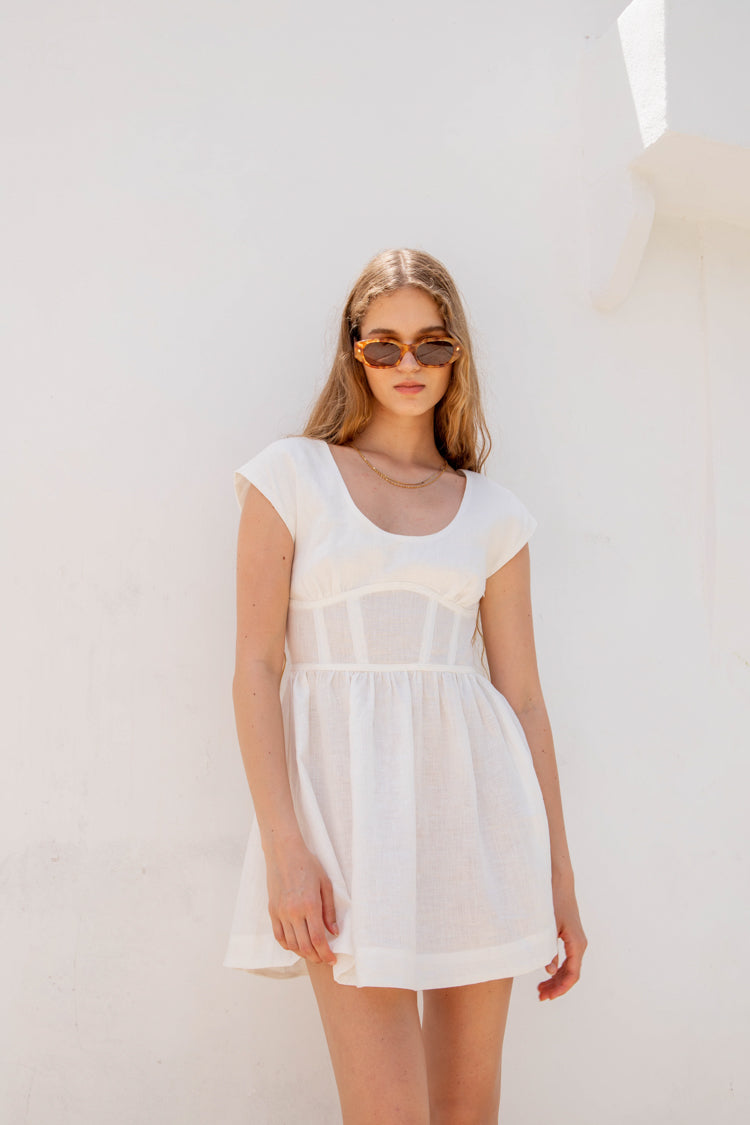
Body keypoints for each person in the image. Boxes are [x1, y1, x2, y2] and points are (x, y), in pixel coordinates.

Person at [224, 248, 587, 1123]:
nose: (407, 364)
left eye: (431, 343)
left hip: (479, 833)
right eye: (383, 344)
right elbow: (256, 667)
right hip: (344, 830)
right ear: (354, 351)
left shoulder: (494, 512)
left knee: (468, 1115)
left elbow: (524, 701)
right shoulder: (291, 476)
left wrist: (561, 885)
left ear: (457, 355)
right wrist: (284, 847)